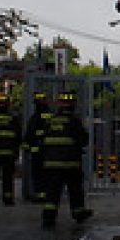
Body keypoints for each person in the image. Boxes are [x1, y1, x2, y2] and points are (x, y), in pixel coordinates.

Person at [39, 91, 92, 228]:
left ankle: (48, 219)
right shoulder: (74, 121)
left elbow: (42, 140)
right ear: (73, 105)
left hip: (51, 164)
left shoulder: (50, 121)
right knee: (75, 190)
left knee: (52, 192)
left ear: (59, 104)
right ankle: (78, 213)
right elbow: (83, 140)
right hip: (70, 164)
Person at [24, 92, 53, 202]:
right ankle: (49, 194)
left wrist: (27, 146)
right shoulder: (52, 115)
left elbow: (30, 133)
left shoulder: (35, 117)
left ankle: (40, 195)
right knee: (48, 174)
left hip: (38, 151)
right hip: (50, 151)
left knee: (38, 174)